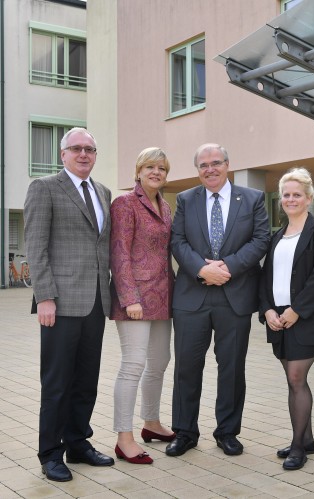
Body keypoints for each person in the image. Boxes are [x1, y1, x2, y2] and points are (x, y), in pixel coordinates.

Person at [166, 143, 270, 457]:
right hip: (191, 298)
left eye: (215, 163)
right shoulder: (185, 199)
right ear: (197, 170)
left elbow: (261, 238)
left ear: (227, 164)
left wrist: (229, 267)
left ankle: (227, 432)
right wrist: (201, 269)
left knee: (232, 368)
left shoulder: (252, 198)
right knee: (186, 368)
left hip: (234, 296)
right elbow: (177, 240)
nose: (210, 169)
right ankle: (184, 432)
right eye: (203, 165)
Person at [24, 127, 114, 482]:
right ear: (63, 154)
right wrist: (44, 296)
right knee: (58, 381)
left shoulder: (103, 192)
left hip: (95, 302)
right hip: (59, 304)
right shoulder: (44, 188)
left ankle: (78, 443)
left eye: (90, 149)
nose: (83, 154)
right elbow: (36, 245)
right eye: (76, 148)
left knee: (86, 380)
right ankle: (50, 453)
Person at [259, 167, 314, 471]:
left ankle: (297, 447)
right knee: (293, 380)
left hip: (306, 316)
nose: (291, 199)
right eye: (286, 195)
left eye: (297, 194)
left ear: (309, 198)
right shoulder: (276, 236)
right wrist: (267, 310)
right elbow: (265, 277)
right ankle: (307, 439)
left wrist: (296, 310)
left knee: (296, 379)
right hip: (278, 317)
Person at [110, 147, 175, 465]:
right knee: (133, 364)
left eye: (161, 168)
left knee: (160, 361)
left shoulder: (165, 207)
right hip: (134, 299)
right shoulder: (124, 203)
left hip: (164, 298)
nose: (156, 172)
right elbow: (119, 252)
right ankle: (124, 438)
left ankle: (151, 423)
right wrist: (129, 298)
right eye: (149, 166)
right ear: (138, 171)